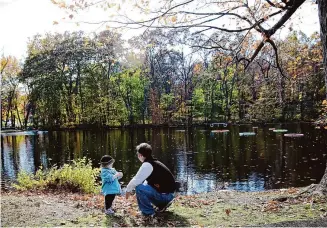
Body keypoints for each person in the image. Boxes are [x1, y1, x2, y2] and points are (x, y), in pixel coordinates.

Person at [125, 143, 176, 217]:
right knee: (143, 185)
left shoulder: (147, 165)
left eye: (138, 154)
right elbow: (146, 181)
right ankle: (160, 206)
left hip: (166, 197)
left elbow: (136, 180)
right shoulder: (154, 163)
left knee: (139, 188)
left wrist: (128, 190)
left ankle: (148, 212)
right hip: (169, 195)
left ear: (140, 155)